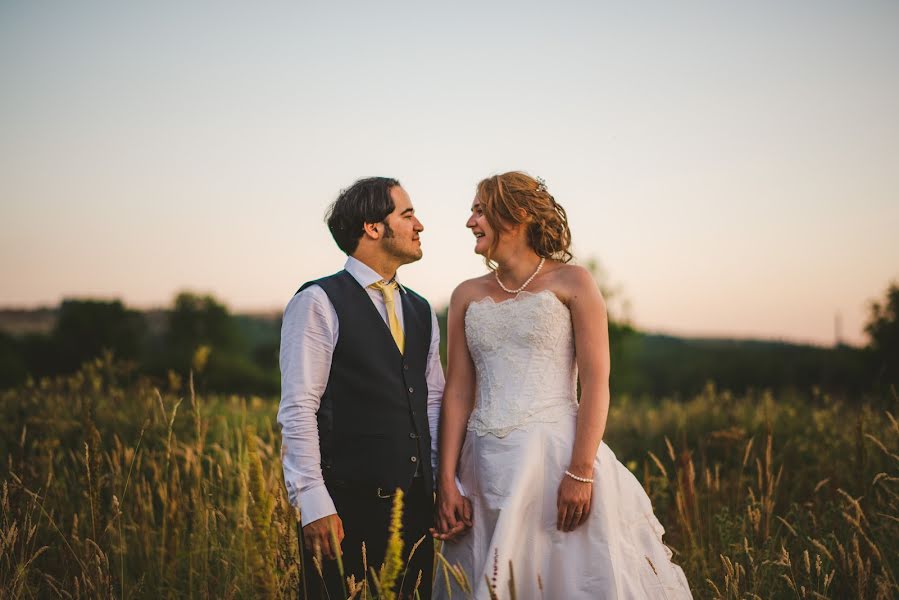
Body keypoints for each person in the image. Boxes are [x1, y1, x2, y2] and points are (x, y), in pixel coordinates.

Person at [432, 172, 693, 599]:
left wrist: (581, 472)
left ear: (515, 214)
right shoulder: (465, 294)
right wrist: (447, 481)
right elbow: (458, 391)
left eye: (479, 210)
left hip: (555, 462)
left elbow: (596, 383)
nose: (470, 221)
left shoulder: (574, 282)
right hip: (480, 469)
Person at [278, 177, 445, 599]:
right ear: (373, 227)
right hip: (344, 511)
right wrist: (313, 502)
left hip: (415, 514)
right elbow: (299, 407)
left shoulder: (421, 310)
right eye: (407, 215)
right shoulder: (317, 300)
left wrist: (440, 485)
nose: (419, 225)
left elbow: (432, 401)